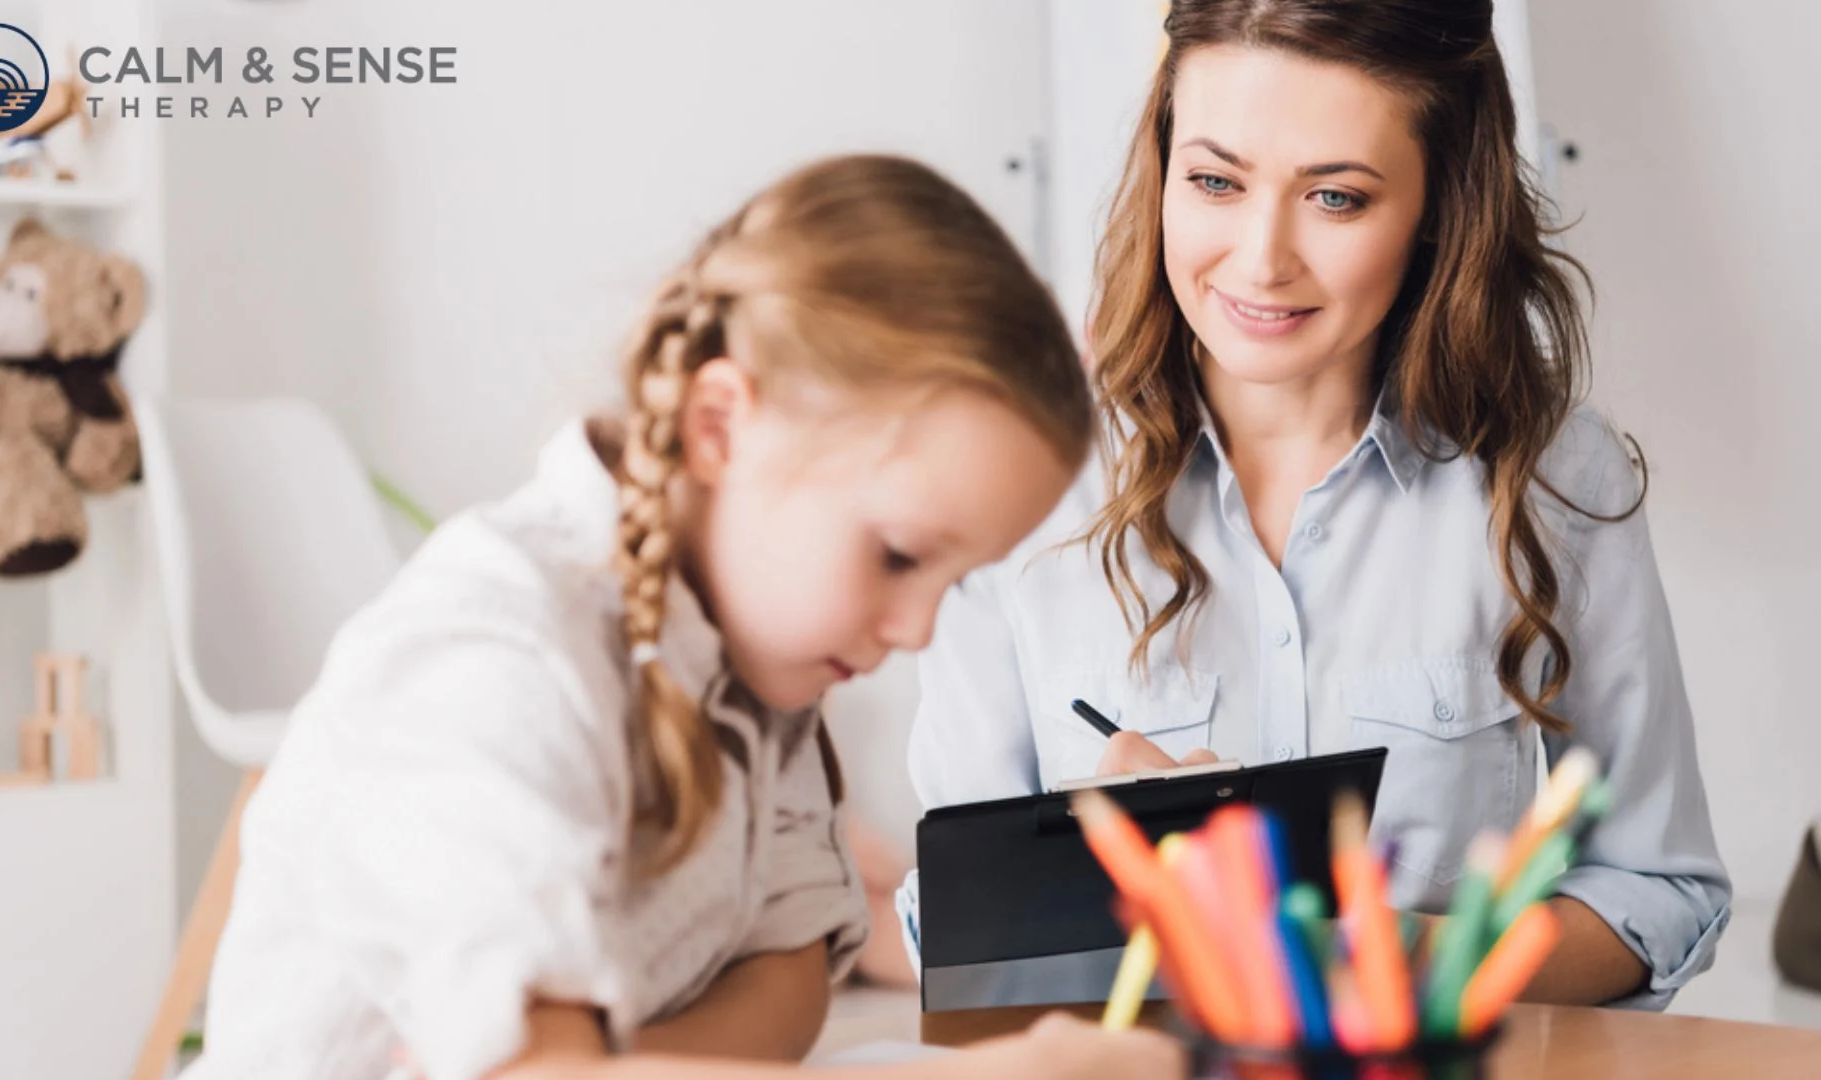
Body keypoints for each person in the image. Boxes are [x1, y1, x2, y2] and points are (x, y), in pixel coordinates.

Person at [186, 154, 1182, 1080]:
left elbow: (790, 985)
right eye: (897, 555)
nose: (917, 632)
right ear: (719, 426)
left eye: (954, 584)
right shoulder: (495, 660)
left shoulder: (760, 662)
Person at [902, 0, 1728, 1010]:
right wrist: (1098, 878)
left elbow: (1657, 890)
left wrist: (1375, 960)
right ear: (1162, 167)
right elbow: (945, 933)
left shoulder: (1557, 475)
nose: (1262, 259)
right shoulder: (1026, 477)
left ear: (1442, 203)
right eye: (1215, 181)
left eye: (1337, 198)